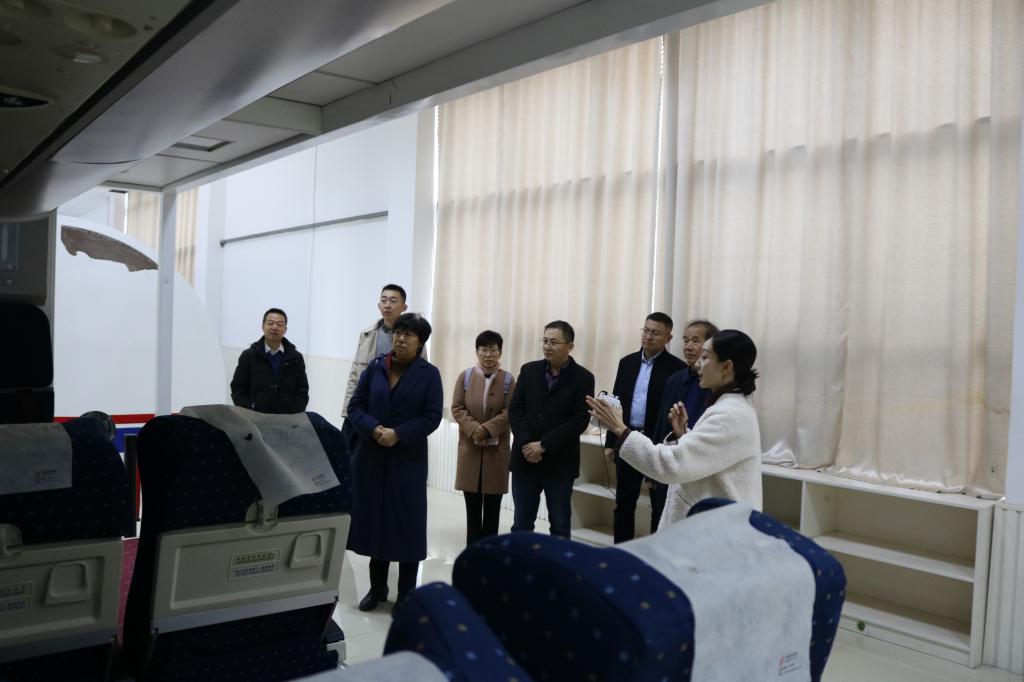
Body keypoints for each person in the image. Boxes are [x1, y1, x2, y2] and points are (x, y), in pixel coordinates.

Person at [587, 329, 762, 529]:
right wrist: (684, 434)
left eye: (705, 357)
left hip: (715, 529)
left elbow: (672, 465)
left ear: (726, 367)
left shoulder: (730, 414)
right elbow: (703, 457)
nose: (698, 364)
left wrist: (620, 428)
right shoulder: (729, 407)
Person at [345, 313, 442, 613]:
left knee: (406, 524)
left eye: (408, 334)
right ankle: (377, 588)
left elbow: (432, 416)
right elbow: (355, 406)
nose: (400, 338)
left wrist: (398, 433)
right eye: (398, 332)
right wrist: (374, 428)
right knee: (377, 521)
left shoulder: (429, 374)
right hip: (372, 456)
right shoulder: (376, 367)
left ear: (420, 342)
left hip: (407, 459)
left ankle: (406, 594)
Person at [603, 313, 686, 543]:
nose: (648, 337)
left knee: (658, 506)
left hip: (656, 445)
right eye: (646, 331)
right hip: (627, 438)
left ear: (668, 337)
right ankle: (622, 552)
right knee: (623, 503)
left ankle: (651, 553)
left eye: (655, 333)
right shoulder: (627, 362)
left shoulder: (676, 369)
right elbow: (615, 403)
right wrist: (611, 442)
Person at [508, 320, 594, 539]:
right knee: (521, 525)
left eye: (554, 342)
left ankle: (557, 562)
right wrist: (527, 444)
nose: (547, 346)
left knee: (560, 527)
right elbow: (515, 410)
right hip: (525, 459)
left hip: (559, 463)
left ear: (570, 346)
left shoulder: (583, 378)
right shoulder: (529, 370)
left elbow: (579, 420)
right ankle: (523, 561)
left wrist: (544, 445)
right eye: (545, 341)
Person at [647, 318, 719, 531]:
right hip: (669, 463)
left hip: (698, 468)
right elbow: (661, 424)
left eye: (695, 341)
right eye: (686, 340)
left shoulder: (717, 385)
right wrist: (652, 469)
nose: (688, 346)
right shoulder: (675, 379)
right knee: (659, 521)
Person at [451, 330, 516, 545]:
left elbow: (511, 411)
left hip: (496, 452)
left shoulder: (508, 379)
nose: (488, 354)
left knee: (492, 508)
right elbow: (457, 407)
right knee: (472, 507)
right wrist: (474, 429)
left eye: (493, 350)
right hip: (470, 448)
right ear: (477, 351)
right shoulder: (466, 377)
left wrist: (487, 429)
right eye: (483, 349)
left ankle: (489, 551)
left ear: (500, 352)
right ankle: (473, 551)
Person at [341, 284, 409, 421]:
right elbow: (354, 374)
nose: (387, 305)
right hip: (366, 403)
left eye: (393, 301)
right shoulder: (367, 334)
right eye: (384, 300)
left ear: (404, 307)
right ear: (379, 306)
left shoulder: (412, 337)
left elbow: (421, 375)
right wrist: (348, 410)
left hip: (397, 406)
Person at [230, 308, 309, 414]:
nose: (274, 327)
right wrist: (248, 412)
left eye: (279, 324)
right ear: (263, 326)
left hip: (286, 418)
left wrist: (294, 413)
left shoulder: (295, 358)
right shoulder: (249, 355)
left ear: (285, 329)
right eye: (270, 323)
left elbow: (302, 390)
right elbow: (238, 388)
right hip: (255, 417)